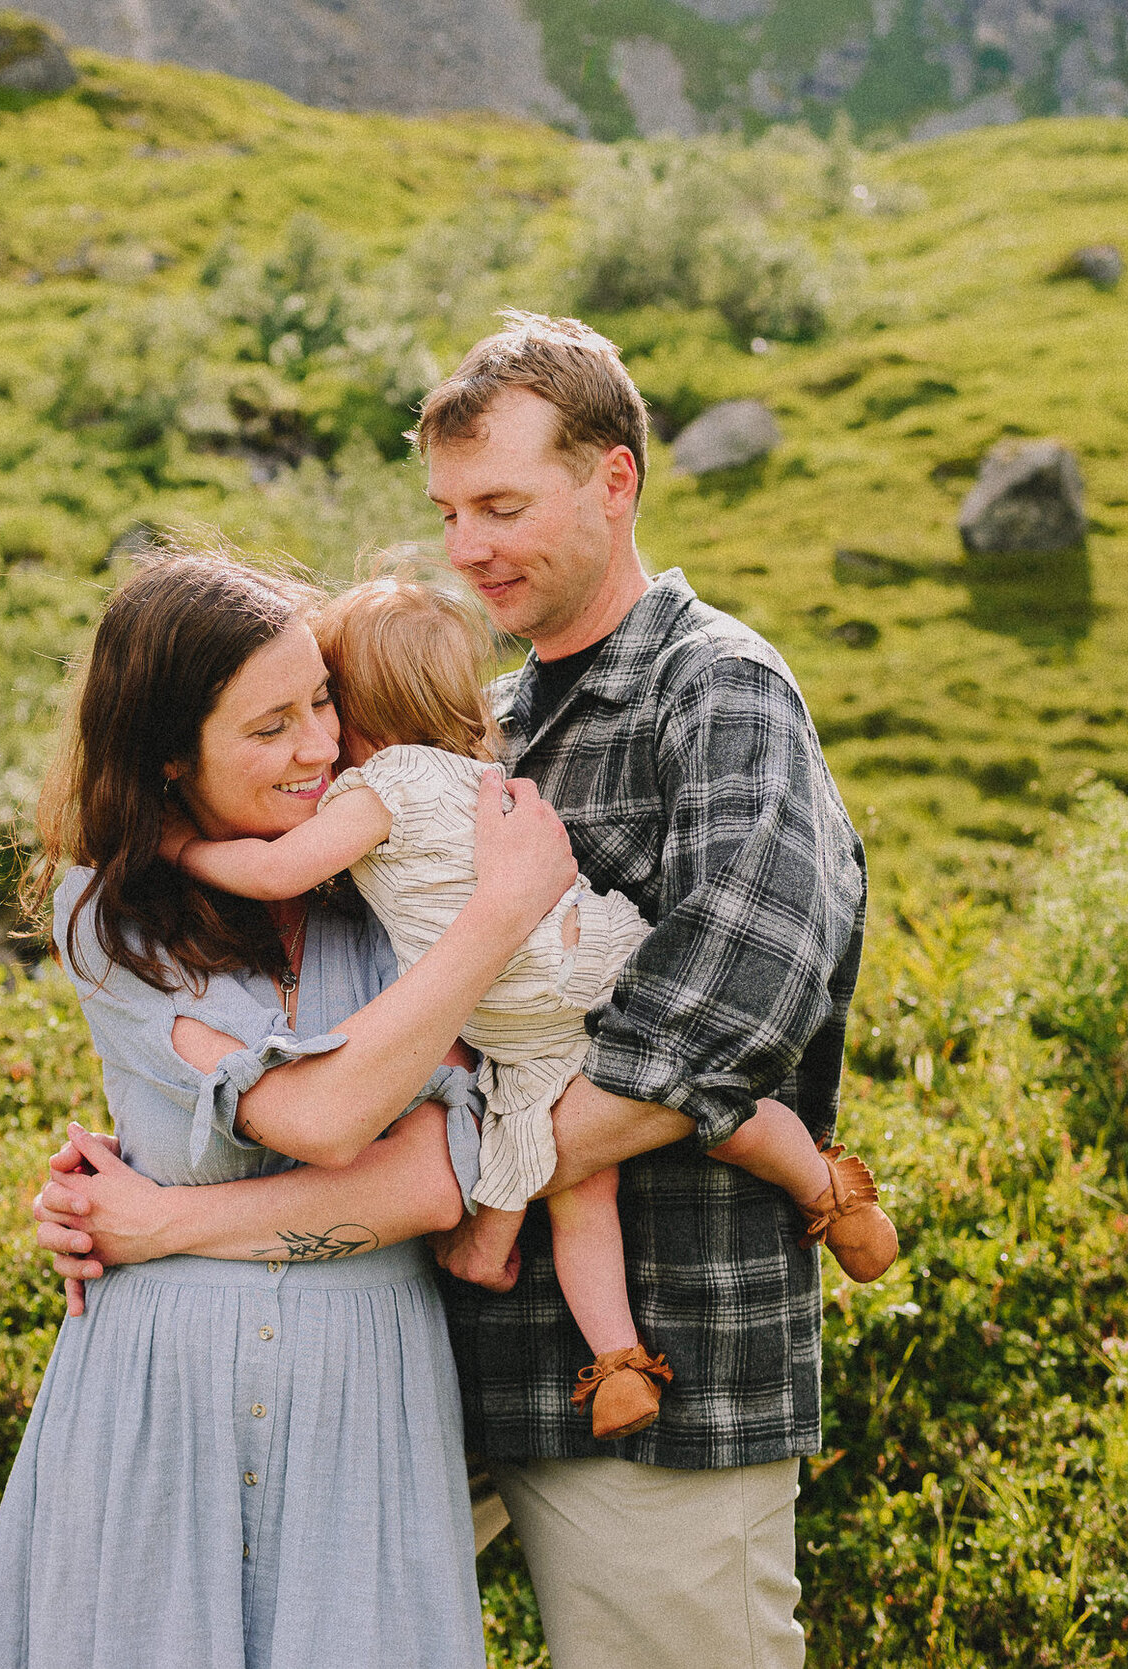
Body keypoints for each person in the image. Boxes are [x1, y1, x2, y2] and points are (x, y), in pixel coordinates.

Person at [38, 311, 867, 1669]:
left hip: (659, 1364)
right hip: (442, 1361)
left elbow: (732, 1015)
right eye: (447, 509)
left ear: (615, 480)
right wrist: (135, 1167)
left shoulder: (714, 693)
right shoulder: (473, 724)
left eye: (502, 503)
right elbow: (327, 1020)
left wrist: (401, 1183)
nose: (468, 545)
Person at [0, 549, 581, 1669]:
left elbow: (443, 1173)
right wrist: (500, 915)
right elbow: (329, 1116)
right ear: (166, 757)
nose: (319, 747)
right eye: (267, 727)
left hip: (366, 1398)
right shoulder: (106, 906)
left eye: (322, 700)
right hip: (159, 1401)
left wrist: (164, 1222)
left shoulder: (389, 883)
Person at [165, 570, 895, 1440]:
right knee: (724, 1107)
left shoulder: (380, 787)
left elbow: (277, 869)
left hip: (522, 1013)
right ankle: (834, 1194)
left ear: (359, 712)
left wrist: (181, 846)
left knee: (575, 1183)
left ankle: (617, 1357)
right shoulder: (487, 772)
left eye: (325, 702)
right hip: (594, 948)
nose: (319, 741)